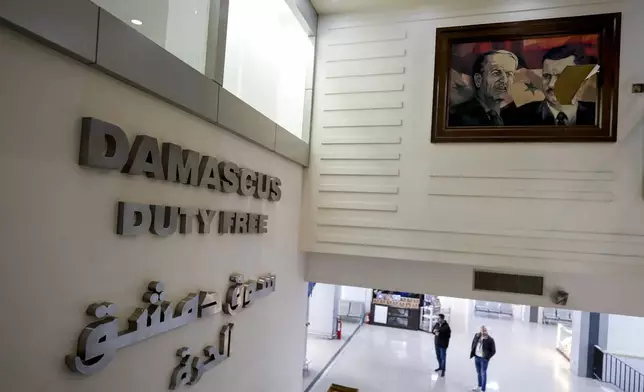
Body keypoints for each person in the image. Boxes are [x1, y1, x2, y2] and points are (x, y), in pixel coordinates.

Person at [503, 44, 596, 126]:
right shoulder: (516, 117)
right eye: (547, 76)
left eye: (560, 77)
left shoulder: (598, 114)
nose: (551, 84)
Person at [448, 50, 518, 126]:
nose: (504, 80)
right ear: (478, 80)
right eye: (496, 73)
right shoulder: (457, 117)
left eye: (509, 74)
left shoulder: (517, 117)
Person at [470, 325, 496, 392]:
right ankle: (479, 385)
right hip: (477, 357)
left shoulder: (490, 340)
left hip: (483, 359)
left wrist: (487, 357)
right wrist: (473, 352)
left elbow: (493, 351)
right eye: (482, 330)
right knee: (478, 372)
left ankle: (483, 389)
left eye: (485, 330)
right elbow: (473, 343)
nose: (484, 332)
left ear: (487, 331)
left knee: (483, 373)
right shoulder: (477, 335)